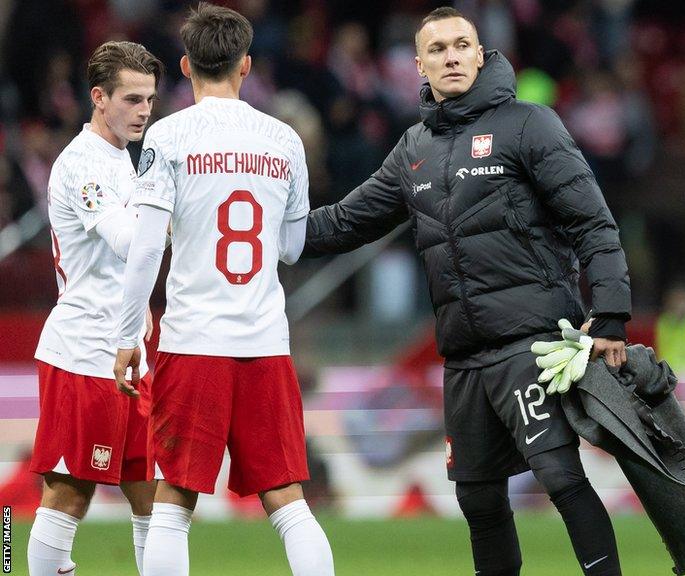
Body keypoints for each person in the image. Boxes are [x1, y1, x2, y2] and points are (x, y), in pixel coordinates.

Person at [304, 7, 631, 575]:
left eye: (461, 45)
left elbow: (593, 223)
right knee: (478, 498)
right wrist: (261, 224)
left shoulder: (530, 124)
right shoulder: (412, 150)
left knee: (560, 477)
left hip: (532, 344)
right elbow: (341, 224)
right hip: (463, 357)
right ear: (419, 65)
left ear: (482, 55)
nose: (451, 56)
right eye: (438, 49)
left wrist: (611, 314)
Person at [111, 4, 333, 575]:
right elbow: (291, 246)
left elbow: (145, 246)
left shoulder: (168, 136)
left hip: (193, 343)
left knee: (174, 503)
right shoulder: (283, 139)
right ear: (246, 65)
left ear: (185, 66)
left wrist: (128, 332)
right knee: (288, 503)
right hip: (264, 342)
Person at [28, 40, 163, 576]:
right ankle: (19, 566)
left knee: (155, 497)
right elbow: (130, 241)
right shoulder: (82, 165)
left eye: (150, 99)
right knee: (68, 494)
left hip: (130, 352)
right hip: (83, 353)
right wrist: (178, 215)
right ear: (98, 97)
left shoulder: (125, 162)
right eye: (131, 99)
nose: (144, 111)